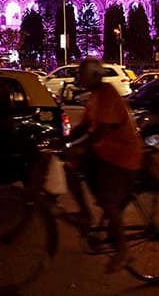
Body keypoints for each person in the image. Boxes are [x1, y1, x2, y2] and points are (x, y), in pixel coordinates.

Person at [64, 56, 143, 272]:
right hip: (106, 154)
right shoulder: (95, 97)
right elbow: (85, 126)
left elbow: (101, 130)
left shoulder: (108, 94)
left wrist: (80, 146)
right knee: (70, 167)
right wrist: (64, 142)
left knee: (110, 202)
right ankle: (85, 213)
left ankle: (123, 251)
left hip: (123, 157)